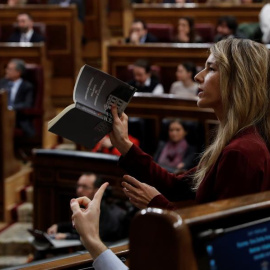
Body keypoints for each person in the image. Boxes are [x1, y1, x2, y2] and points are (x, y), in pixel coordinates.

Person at [69, 38, 270, 269]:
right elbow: (178, 186)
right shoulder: (238, 142)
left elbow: (214, 239)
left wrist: (156, 204)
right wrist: (125, 145)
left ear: (239, 81)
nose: (199, 76)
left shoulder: (243, 152)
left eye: (211, 68)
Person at [47, 173, 129, 242]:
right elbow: (79, 224)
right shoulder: (85, 206)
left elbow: (97, 236)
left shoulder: (104, 211)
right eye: (78, 186)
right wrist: (58, 226)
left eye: (85, 187)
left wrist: (67, 236)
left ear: (97, 191)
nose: (79, 190)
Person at [0, 59, 35, 137]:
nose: (7, 71)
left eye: (10, 69)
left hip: (17, 117)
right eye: (7, 68)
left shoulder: (27, 86)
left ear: (18, 72)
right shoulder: (2, 83)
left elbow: (27, 104)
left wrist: (10, 108)